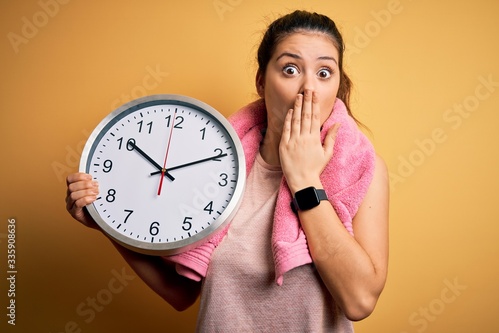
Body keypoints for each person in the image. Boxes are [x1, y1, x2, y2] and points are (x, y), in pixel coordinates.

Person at [66, 10, 389, 332]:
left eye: (324, 73)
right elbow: (181, 292)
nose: (309, 89)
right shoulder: (212, 167)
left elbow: (358, 301)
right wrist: (109, 222)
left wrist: (304, 179)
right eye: (290, 69)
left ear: (338, 84)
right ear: (262, 82)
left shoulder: (360, 168)